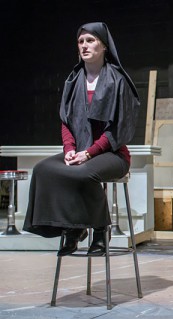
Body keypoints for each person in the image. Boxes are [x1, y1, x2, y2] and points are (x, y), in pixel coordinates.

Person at [23, 22, 140, 256]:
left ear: (104, 46)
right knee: (43, 169)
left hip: (112, 153)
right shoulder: (74, 79)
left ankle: (99, 230)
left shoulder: (117, 80)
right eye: (81, 41)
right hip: (81, 151)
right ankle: (72, 228)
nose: (84, 45)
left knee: (83, 173)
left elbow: (118, 129)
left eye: (90, 40)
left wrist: (89, 153)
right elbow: (66, 121)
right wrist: (69, 148)